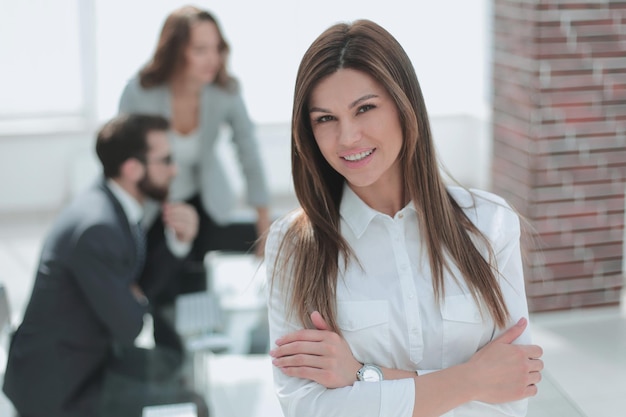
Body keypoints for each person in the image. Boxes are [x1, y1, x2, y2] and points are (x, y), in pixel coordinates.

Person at [265, 20, 544, 417]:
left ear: (404, 105)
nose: (347, 138)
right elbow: (309, 408)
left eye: (365, 108)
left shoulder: (490, 224)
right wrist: (471, 380)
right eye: (325, 119)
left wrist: (362, 375)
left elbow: (513, 393)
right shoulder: (293, 245)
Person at [2, 114, 209, 417]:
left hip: (84, 358)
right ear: (132, 168)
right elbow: (130, 326)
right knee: (193, 399)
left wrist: (178, 242)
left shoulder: (109, 205)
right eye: (165, 160)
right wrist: (132, 296)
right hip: (62, 389)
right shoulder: (98, 227)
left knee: (174, 364)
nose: (174, 170)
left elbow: (138, 288)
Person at [119, 5, 270, 293]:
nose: (213, 59)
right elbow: (121, 160)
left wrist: (262, 221)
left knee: (196, 277)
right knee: (157, 282)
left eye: (217, 48)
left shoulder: (225, 91)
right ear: (176, 51)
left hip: (203, 194)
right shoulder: (139, 92)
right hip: (153, 198)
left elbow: (248, 151)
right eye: (200, 50)